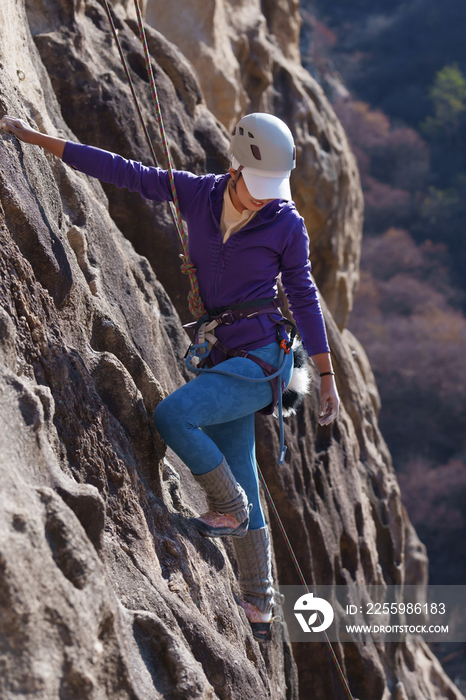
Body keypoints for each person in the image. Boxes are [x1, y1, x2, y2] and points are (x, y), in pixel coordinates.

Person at [0, 112, 340, 640]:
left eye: (270, 189)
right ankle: (260, 601)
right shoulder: (200, 193)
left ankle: (226, 509)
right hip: (224, 349)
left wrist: (326, 373)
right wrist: (37, 139)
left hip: (262, 355)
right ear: (236, 164)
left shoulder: (286, 223)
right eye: (255, 185)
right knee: (241, 465)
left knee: (173, 415)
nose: (262, 198)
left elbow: (302, 293)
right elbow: (125, 172)